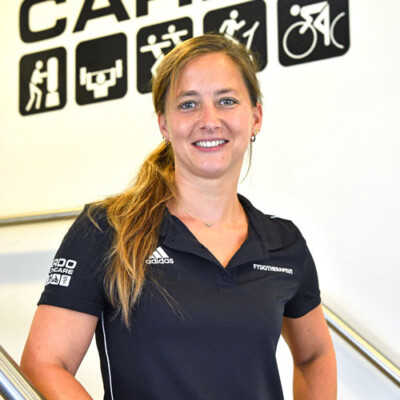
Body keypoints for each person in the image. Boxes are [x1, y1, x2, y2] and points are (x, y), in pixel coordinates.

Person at [20, 34, 337, 399]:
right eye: (188, 104)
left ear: (255, 117)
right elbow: (45, 363)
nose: (209, 120)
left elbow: (315, 355)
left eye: (227, 100)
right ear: (164, 125)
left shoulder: (284, 244)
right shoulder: (107, 229)